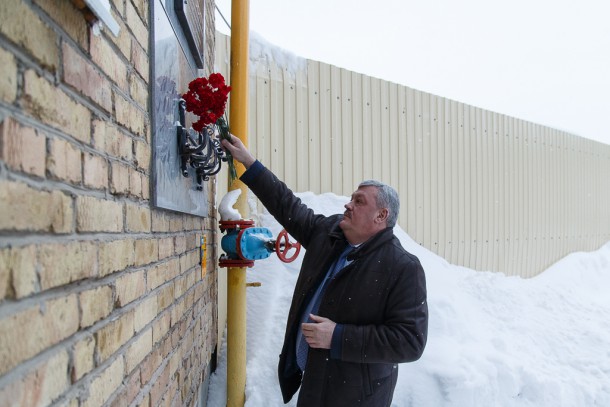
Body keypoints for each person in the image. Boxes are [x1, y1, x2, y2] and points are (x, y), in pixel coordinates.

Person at [222, 134, 428, 407]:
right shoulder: (330, 235)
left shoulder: (403, 267)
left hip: (356, 397)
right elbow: (288, 206)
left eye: (359, 201)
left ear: (381, 216)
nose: (348, 204)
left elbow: (409, 341)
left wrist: (339, 336)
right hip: (315, 383)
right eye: (351, 198)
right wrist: (250, 163)